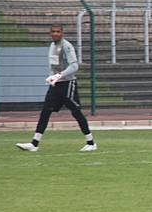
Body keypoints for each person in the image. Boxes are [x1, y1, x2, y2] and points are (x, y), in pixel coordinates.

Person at [16, 24, 97, 152]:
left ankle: (91, 142)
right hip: (56, 85)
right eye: (53, 31)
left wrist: (59, 75)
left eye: (58, 31)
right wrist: (51, 77)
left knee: (76, 112)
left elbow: (74, 66)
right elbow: (52, 65)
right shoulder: (52, 46)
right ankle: (34, 143)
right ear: (50, 33)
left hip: (68, 83)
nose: (55, 34)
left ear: (62, 33)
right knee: (46, 111)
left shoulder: (66, 46)